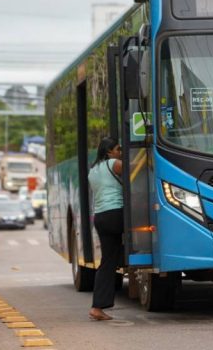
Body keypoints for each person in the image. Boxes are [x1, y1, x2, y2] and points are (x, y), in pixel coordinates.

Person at [87, 137, 124, 321]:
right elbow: (136, 172)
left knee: (107, 262)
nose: (120, 152)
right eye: (118, 149)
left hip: (100, 217)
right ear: (109, 152)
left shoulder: (93, 170)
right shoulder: (114, 164)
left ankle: (97, 307)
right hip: (116, 214)